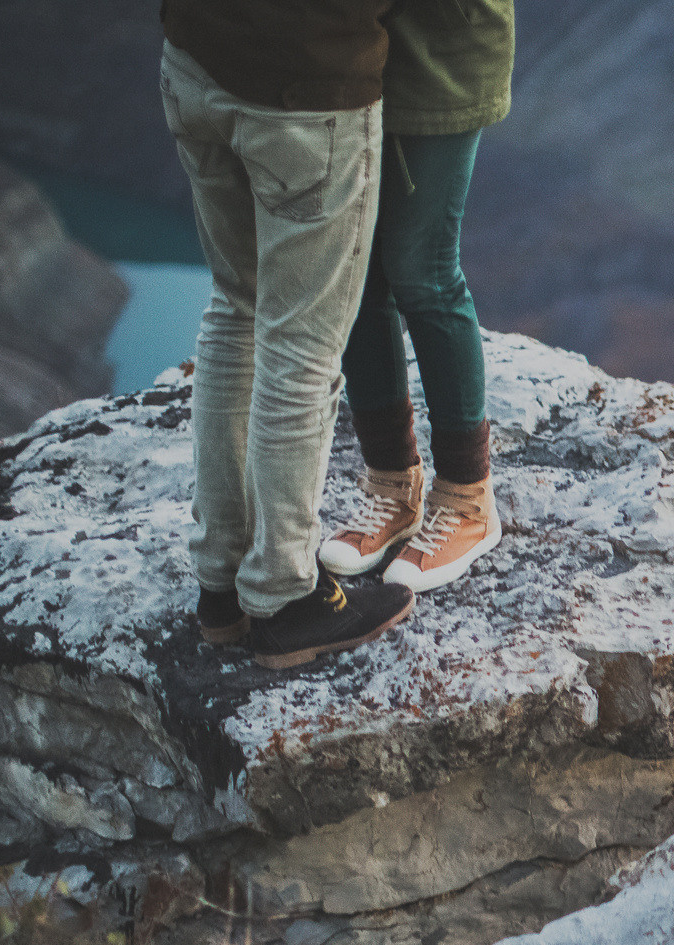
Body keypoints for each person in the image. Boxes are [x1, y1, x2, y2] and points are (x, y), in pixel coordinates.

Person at [161, 0, 416, 668]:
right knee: (300, 346)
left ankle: (220, 584)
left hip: (194, 61)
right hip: (309, 87)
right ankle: (282, 594)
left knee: (236, 303)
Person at [318, 0, 514, 592]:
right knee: (357, 273)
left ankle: (468, 501)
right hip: (354, 54)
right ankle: (393, 486)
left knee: (422, 271)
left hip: (441, 56)